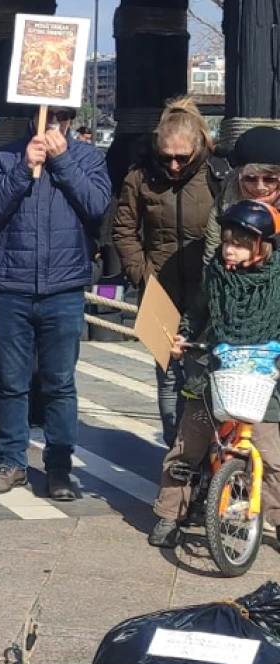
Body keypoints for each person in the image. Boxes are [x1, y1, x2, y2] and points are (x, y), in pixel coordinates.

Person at [0, 106, 111, 499]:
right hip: (11, 284)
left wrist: (63, 160)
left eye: (62, 118)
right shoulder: (3, 156)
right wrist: (23, 167)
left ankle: (59, 468)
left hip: (64, 287)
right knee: (12, 382)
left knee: (59, 383)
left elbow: (97, 207)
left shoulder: (89, 158)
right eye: (48, 117)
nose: (54, 125)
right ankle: (12, 461)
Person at [151, 200, 280, 548]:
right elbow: (196, 313)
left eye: (240, 243)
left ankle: (277, 519)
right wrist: (184, 338)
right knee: (186, 447)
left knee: (271, 457)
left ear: (263, 246)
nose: (230, 249)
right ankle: (168, 515)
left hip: (262, 379)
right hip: (213, 372)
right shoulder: (215, 274)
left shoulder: (278, 280)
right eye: (226, 241)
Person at [113, 97, 216, 447]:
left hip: (207, 291)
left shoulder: (216, 175)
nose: (173, 164)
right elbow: (123, 230)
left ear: (198, 147)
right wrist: (141, 274)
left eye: (181, 157)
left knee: (207, 373)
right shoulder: (140, 177)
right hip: (159, 288)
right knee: (169, 377)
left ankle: (206, 458)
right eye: (166, 156)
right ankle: (176, 455)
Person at [204, 126, 280, 262]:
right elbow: (211, 254)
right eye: (250, 179)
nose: (259, 187)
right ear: (239, 176)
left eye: (269, 179)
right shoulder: (224, 203)